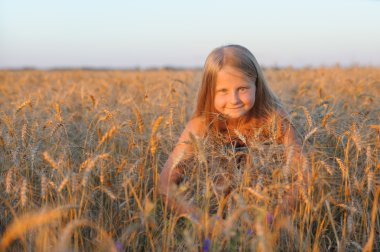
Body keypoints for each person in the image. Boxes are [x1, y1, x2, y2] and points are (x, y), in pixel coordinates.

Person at [159, 44, 308, 229]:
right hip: (212, 217)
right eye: (223, 91)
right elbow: (165, 184)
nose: (234, 100)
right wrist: (201, 219)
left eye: (243, 88)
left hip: (266, 217)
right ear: (209, 91)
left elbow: (304, 175)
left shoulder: (274, 120)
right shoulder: (201, 125)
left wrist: (274, 217)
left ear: (256, 84)